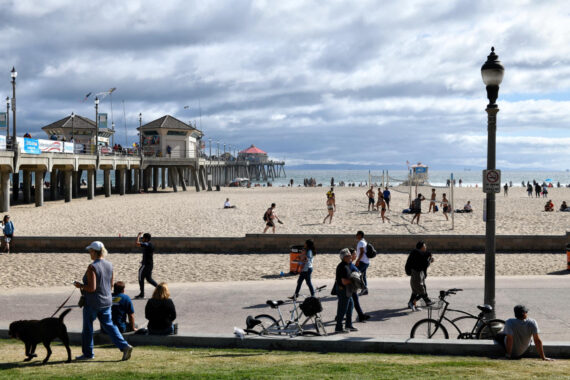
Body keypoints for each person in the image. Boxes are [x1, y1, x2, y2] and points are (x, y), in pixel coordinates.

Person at [74, 241, 133, 360]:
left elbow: (92, 288)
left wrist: (80, 286)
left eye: (90, 251)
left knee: (88, 328)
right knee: (109, 326)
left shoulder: (92, 267)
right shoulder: (109, 265)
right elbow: (110, 284)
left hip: (93, 302)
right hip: (106, 301)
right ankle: (124, 345)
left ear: (94, 252)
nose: (89, 253)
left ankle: (88, 354)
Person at [405, 241, 434, 311]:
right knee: (421, 290)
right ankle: (414, 302)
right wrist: (429, 259)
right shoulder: (417, 253)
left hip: (418, 274)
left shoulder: (417, 253)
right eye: (424, 246)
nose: (426, 247)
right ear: (421, 247)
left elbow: (424, 264)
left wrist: (429, 260)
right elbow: (424, 264)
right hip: (417, 274)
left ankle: (413, 303)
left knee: (416, 290)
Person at [334, 248, 357, 333]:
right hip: (343, 290)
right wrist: (354, 280)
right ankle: (338, 327)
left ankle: (348, 325)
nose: (350, 256)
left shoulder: (346, 264)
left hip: (347, 290)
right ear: (344, 257)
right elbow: (344, 281)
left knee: (350, 306)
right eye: (348, 255)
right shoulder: (343, 267)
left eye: (350, 255)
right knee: (342, 309)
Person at [349, 249, 371, 323]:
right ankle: (360, 316)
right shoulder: (348, 265)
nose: (356, 255)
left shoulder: (351, 264)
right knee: (351, 302)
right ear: (350, 255)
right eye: (354, 254)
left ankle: (361, 316)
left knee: (353, 302)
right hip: (350, 288)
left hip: (352, 288)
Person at [135, 232, 158, 299]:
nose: (142, 239)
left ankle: (142, 294)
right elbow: (150, 254)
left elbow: (137, 243)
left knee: (140, 277)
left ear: (146, 239)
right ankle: (160, 288)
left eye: (143, 238)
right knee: (149, 279)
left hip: (145, 265)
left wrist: (138, 235)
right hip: (150, 264)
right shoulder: (151, 245)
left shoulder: (147, 244)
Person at [354, 231, 369, 296]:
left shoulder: (361, 243)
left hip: (362, 262)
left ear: (360, 235)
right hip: (366, 261)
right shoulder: (364, 241)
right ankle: (365, 290)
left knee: (357, 275)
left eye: (357, 234)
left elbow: (362, 252)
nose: (356, 235)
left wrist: (358, 261)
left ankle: (363, 289)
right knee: (363, 275)